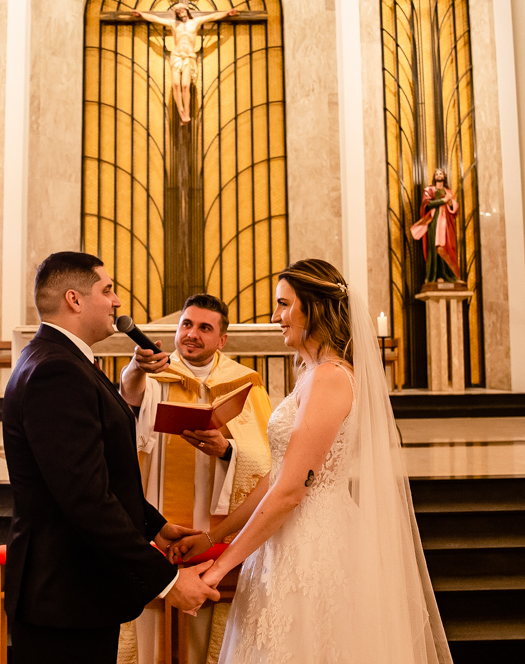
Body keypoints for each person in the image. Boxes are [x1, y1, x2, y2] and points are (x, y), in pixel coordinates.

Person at [169, 259, 452, 664]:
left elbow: (289, 492)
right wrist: (215, 538)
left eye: (284, 304)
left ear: (314, 308)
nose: (275, 317)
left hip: (313, 546)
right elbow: (278, 476)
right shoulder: (311, 373)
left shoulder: (330, 377)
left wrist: (216, 571)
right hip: (287, 537)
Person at [1, 252, 220, 664]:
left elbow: (96, 466)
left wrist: (154, 526)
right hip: (63, 594)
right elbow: (85, 497)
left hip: (75, 591)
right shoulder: (56, 371)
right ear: (74, 299)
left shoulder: (63, 359)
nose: (117, 301)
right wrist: (168, 581)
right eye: (107, 290)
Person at [118, 294, 273, 664]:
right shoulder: (155, 371)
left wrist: (228, 450)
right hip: (156, 526)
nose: (192, 334)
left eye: (205, 328)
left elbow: (269, 458)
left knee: (207, 640)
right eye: (187, 325)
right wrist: (136, 368)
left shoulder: (245, 384)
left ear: (222, 340)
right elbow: (129, 396)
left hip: (214, 534)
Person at [131, 4, 238, 124]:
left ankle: (186, 112)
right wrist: (141, 14)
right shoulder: (174, 24)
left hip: (188, 57)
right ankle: (181, 111)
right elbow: (156, 19)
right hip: (176, 56)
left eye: (181, 10)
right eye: (177, 11)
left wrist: (227, 13)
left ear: (187, 10)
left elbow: (212, 17)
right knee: (176, 84)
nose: (180, 12)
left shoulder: (196, 22)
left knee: (186, 85)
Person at [410, 168, 462, 285]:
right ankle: (435, 275)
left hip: (446, 224)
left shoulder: (448, 192)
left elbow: (454, 209)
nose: (439, 175)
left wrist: (450, 203)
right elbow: (427, 204)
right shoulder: (429, 190)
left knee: (447, 248)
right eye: (437, 174)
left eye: (441, 173)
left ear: (444, 176)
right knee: (435, 249)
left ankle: (449, 275)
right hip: (434, 223)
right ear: (434, 177)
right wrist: (443, 200)